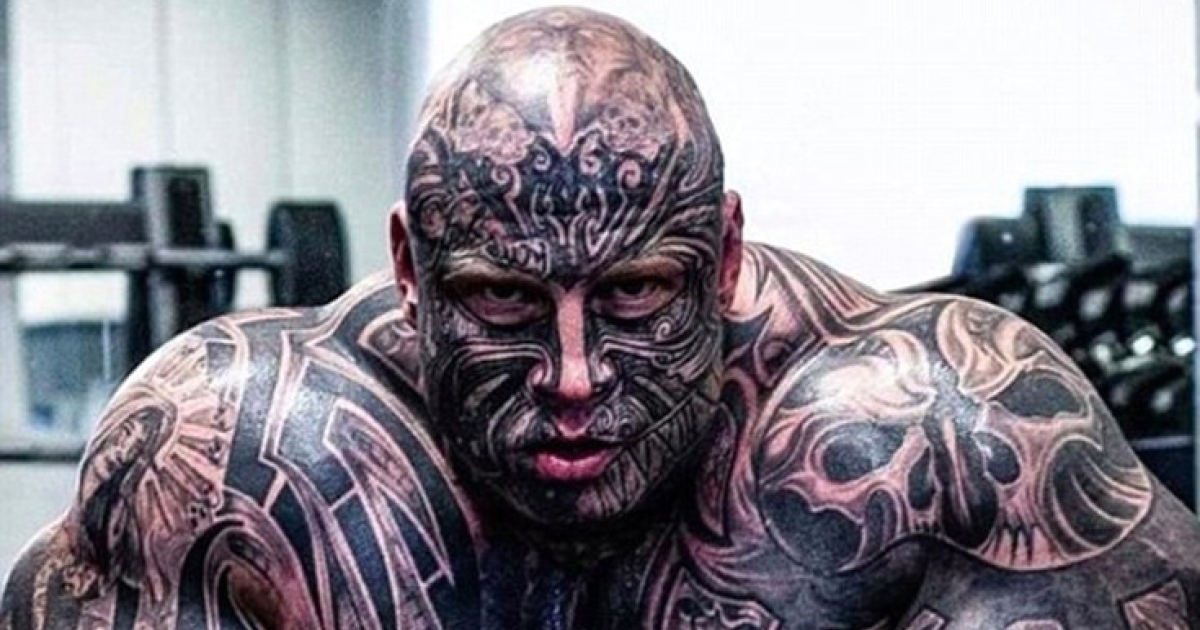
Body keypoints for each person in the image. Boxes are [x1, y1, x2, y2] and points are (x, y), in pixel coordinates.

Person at [3, 6, 1199, 629]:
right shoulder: (225, 464)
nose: (574, 375)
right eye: (503, 299)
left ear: (723, 257)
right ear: (411, 267)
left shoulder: (955, 447)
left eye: (634, 293)